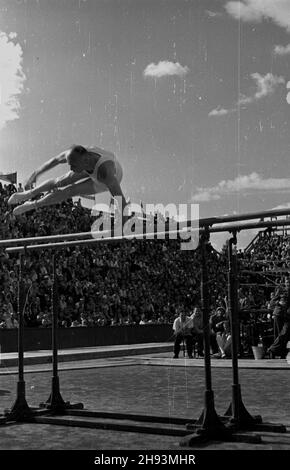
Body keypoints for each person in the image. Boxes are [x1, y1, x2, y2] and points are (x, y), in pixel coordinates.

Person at [8, 144, 127, 219]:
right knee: (61, 181)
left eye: (73, 165)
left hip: (102, 182)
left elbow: (121, 201)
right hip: (90, 166)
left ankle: (32, 205)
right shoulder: (77, 155)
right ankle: (29, 194)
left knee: (70, 191)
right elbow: (54, 160)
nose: (71, 169)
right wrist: (36, 174)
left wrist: (123, 225)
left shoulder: (105, 173)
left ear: (85, 160)